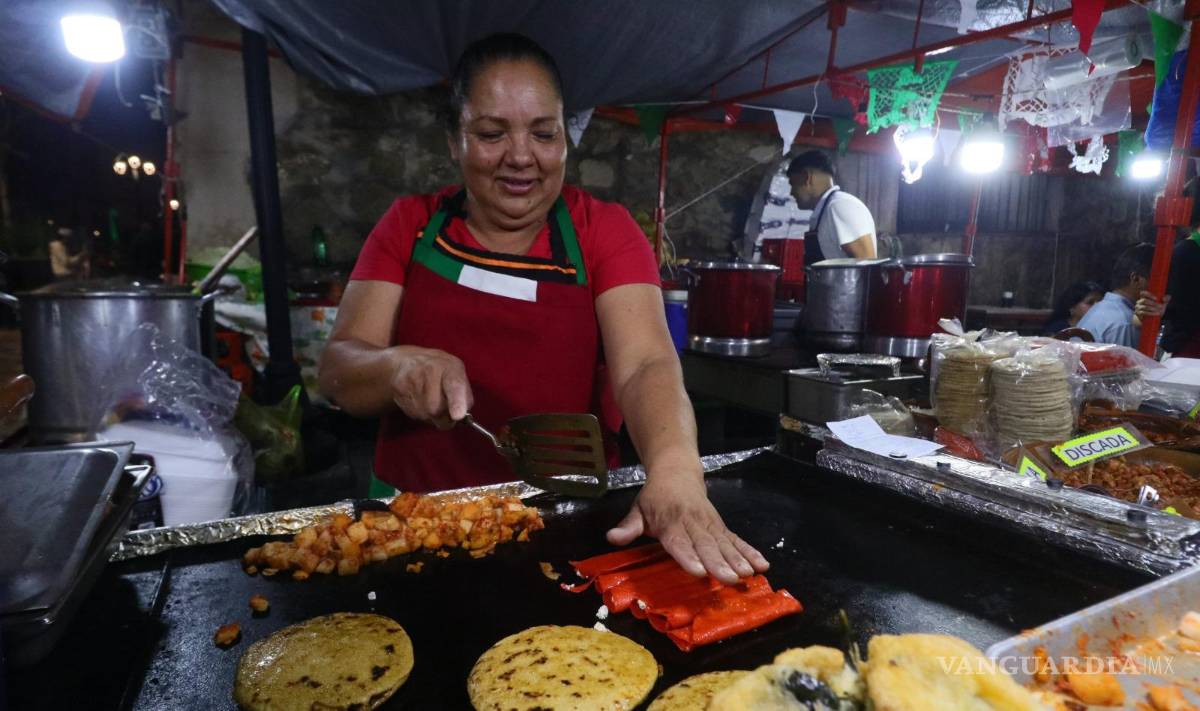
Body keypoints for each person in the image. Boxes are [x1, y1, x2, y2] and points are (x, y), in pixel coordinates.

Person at [319, 33, 767, 584]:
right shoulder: (410, 225)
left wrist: (675, 470)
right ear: (454, 141)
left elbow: (646, 364)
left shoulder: (603, 231)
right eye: (490, 133)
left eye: (544, 133)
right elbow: (339, 369)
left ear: (564, 138)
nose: (521, 156)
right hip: (415, 522)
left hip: (565, 518)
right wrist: (396, 368)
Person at [786, 150, 877, 264]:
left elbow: (867, 264)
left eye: (793, 184)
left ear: (806, 177)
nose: (791, 192)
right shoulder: (825, 210)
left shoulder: (840, 206)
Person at [1077, 243, 1156, 348]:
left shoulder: (1101, 308)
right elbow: (1129, 364)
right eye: (1156, 278)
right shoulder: (1124, 322)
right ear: (1136, 279)